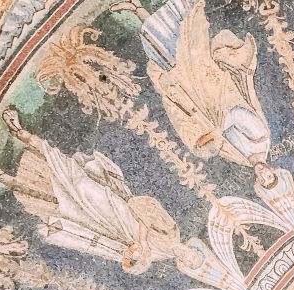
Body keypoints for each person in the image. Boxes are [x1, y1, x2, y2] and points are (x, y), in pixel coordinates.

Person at [0, 108, 200, 274]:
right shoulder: (171, 232)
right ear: (192, 248)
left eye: (188, 262)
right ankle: (20, 132)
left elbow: (125, 258)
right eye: (192, 255)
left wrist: (132, 257)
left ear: (182, 264)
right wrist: (142, 241)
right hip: (117, 210)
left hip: (106, 227)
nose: (187, 256)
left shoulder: (158, 257)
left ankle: (2, 177)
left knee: (60, 206)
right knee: (79, 182)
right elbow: (143, 207)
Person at [111, 0, 271, 166]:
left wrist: (206, 144)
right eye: (270, 176)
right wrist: (216, 131)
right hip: (212, 89)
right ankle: (161, 6)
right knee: (186, 43)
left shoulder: (243, 159)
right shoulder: (261, 138)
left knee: (168, 58)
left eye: (262, 179)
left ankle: (136, 8)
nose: (263, 175)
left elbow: (215, 145)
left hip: (200, 102)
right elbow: (237, 113)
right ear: (272, 171)